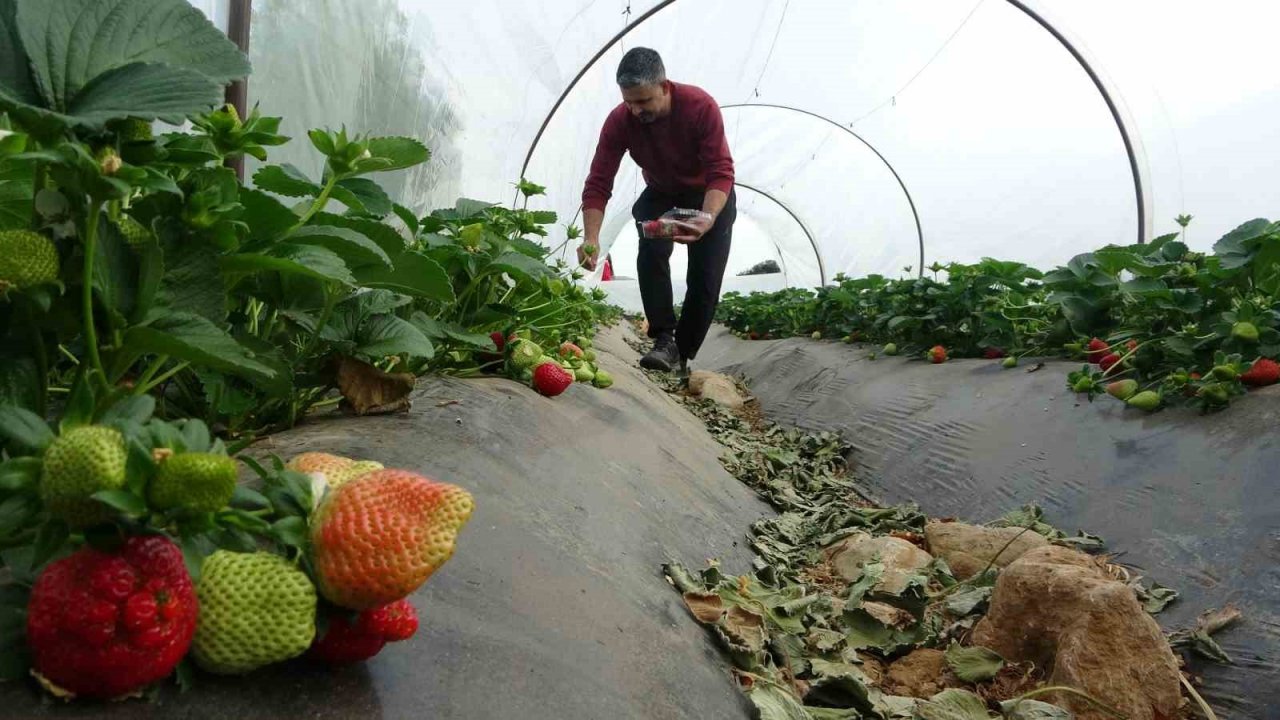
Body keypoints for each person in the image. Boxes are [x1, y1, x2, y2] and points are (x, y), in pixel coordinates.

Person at [577, 47, 736, 374]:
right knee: (651, 243)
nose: (636, 110)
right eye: (629, 102)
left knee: (705, 280)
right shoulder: (620, 121)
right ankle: (663, 338)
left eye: (644, 101)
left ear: (665, 87)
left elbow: (721, 172)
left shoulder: (699, 107)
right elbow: (598, 182)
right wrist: (590, 237)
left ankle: (683, 351)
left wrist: (706, 219)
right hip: (662, 195)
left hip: (707, 196)